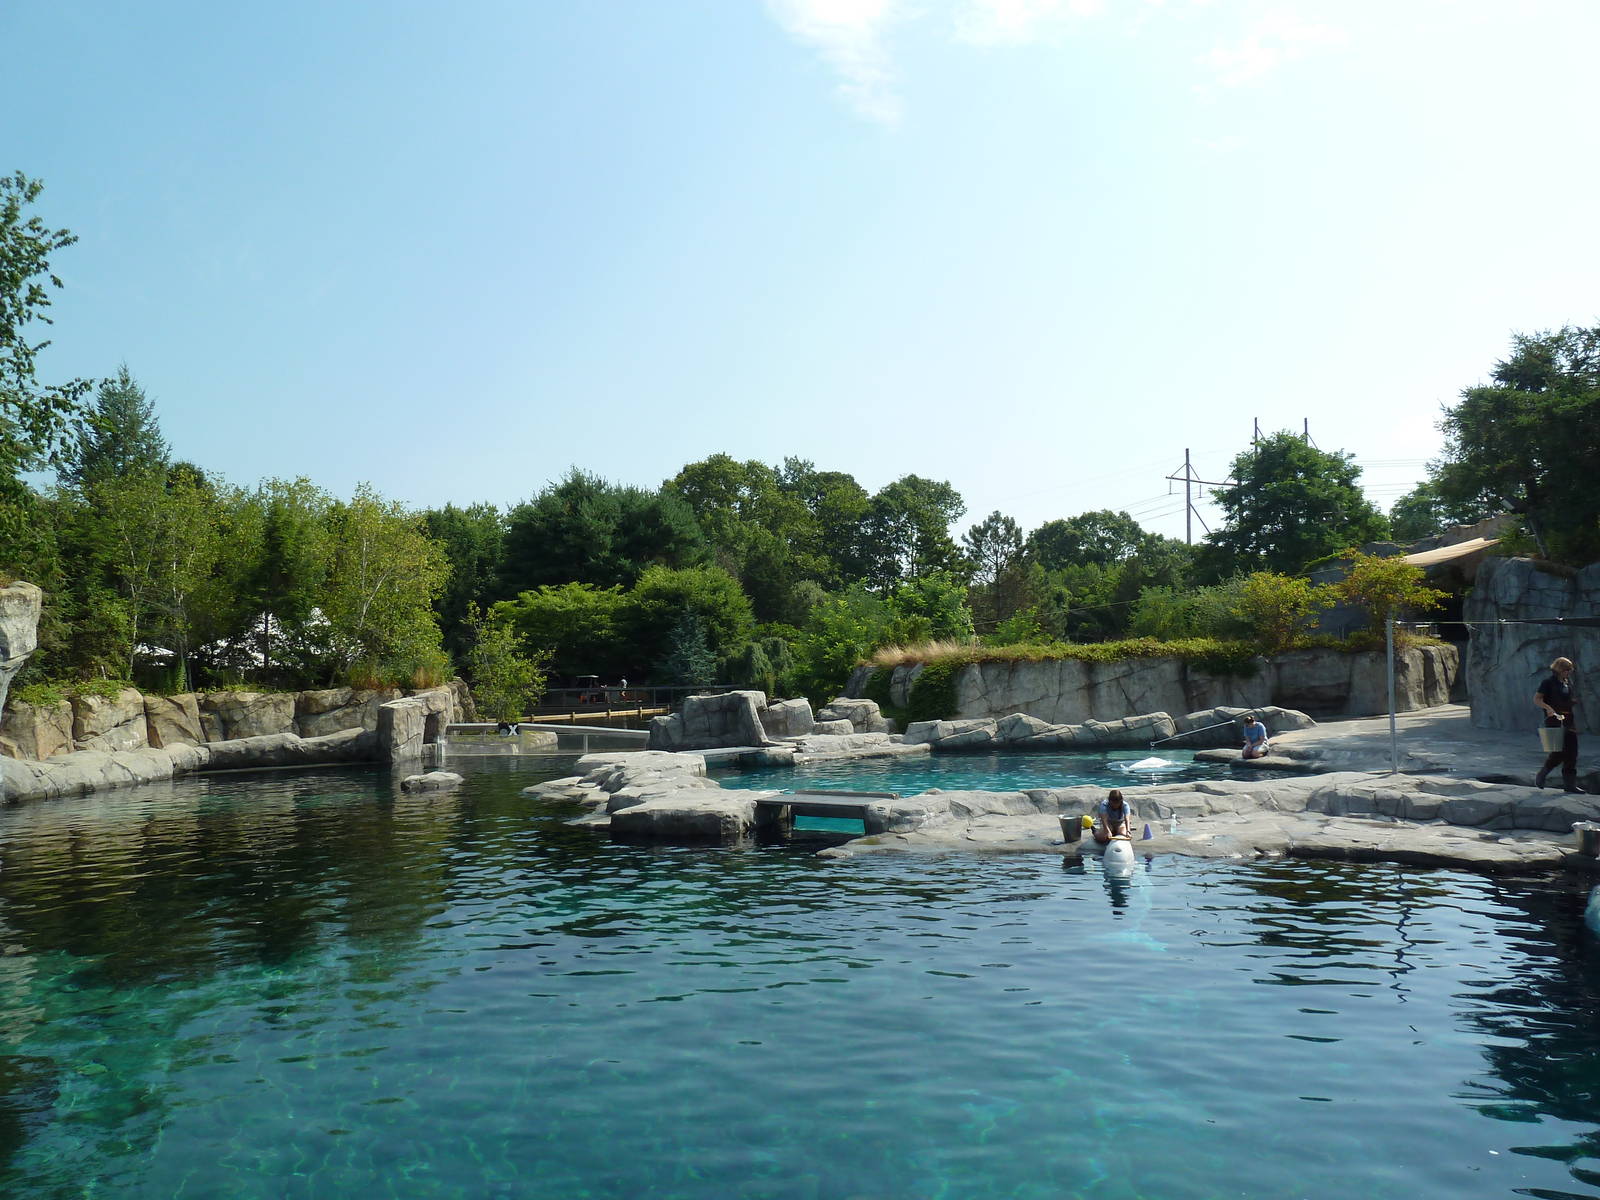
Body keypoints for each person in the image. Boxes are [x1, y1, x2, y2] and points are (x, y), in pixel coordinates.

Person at [1535, 657, 1581, 792]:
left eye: (1570, 669)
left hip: (1568, 719)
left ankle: (1570, 785)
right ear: (1559, 669)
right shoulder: (1548, 683)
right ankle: (1543, 773)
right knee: (1558, 752)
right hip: (1554, 719)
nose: (1569, 672)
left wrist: (1573, 701)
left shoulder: (1567, 683)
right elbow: (1537, 699)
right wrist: (1547, 707)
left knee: (1572, 752)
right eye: (1567, 669)